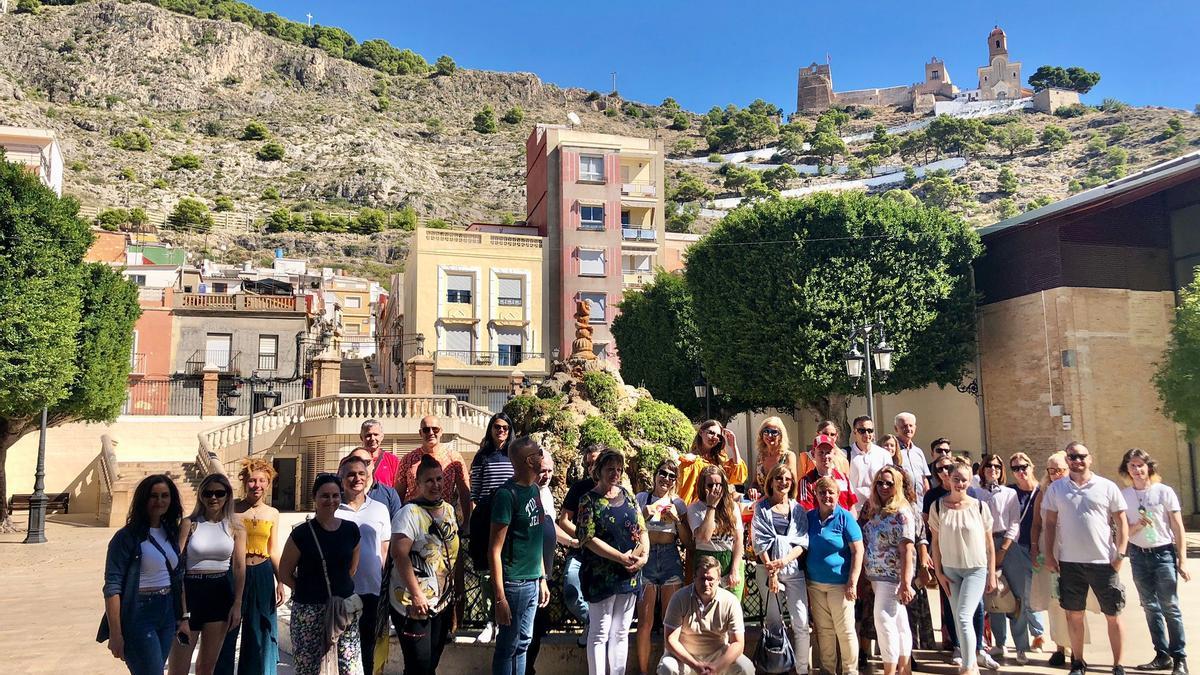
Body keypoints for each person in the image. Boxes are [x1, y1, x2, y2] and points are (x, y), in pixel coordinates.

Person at [1043, 441, 1129, 675]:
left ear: (1089, 459)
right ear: (1067, 460)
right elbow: (1049, 523)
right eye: (1072, 456)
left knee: (1113, 614)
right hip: (1070, 563)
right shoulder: (1056, 489)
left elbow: (1121, 521)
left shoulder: (1106, 486)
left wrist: (1120, 553)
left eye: (1081, 456)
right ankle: (1078, 662)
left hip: (1103, 561)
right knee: (1074, 614)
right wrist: (1049, 554)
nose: (1077, 461)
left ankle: (1117, 665)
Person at [100, 475, 184, 675]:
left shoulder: (170, 532)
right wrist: (115, 633)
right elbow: (112, 586)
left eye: (165, 496)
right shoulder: (126, 537)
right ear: (143, 499)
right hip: (139, 612)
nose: (160, 501)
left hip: (167, 611)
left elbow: (177, 577)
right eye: (153, 496)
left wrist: (183, 617)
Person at [279, 474, 363, 675]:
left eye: (335, 495)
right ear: (315, 498)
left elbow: (352, 569)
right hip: (308, 613)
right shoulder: (301, 534)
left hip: (343, 610)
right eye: (325, 496)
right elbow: (284, 573)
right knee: (310, 668)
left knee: (349, 668)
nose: (331, 500)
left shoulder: (351, 530)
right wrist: (307, 591)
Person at [578, 449, 650, 675]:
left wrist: (643, 557)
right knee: (600, 631)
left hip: (629, 575)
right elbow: (587, 539)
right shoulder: (588, 500)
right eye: (610, 469)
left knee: (621, 631)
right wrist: (620, 557)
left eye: (619, 469)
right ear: (598, 471)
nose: (615, 474)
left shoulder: (628, 495)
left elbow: (642, 529)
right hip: (602, 576)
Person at [1118, 448, 1189, 675]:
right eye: (1132, 466)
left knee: (1170, 607)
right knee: (1150, 607)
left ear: (1149, 467)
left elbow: (1177, 527)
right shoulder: (1124, 495)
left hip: (1163, 554)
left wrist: (1182, 559)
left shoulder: (1163, 491)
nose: (1137, 470)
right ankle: (1162, 654)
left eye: (1141, 465)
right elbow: (1122, 531)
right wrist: (1138, 524)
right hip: (1139, 555)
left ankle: (1179, 657)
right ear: (1126, 469)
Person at [168, 474, 246, 675]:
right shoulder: (189, 523)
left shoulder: (235, 527)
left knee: (207, 667)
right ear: (201, 495)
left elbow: (239, 567)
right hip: (191, 592)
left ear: (227, 496)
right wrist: (180, 605)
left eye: (219, 493)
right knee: (178, 668)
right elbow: (176, 565)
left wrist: (237, 604)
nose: (213, 498)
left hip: (220, 593)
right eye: (208, 493)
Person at [390, 454, 460, 674]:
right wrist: (417, 594)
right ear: (418, 484)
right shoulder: (408, 513)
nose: (435, 485)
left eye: (439, 479)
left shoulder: (448, 510)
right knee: (418, 665)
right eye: (429, 480)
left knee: (431, 663)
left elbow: (453, 553)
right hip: (413, 603)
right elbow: (399, 555)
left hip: (442, 602)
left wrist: (459, 592)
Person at [923, 454, 993, 670]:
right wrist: (939, 573)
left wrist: (991, 574)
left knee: (963, 616)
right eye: (956, 479)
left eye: (964, 479)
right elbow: (935, 542)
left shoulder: (980, 507)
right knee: (958, 616)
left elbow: (989, 543)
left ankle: (969, 666)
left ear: (970, 480)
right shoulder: (937, 506)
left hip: (975, 569)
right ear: (948, 479)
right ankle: (969, 661)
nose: (959, 483)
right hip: (950, 571)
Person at [490, 436, 551, 675]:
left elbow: (536, 541)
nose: (541, 455)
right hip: (514, 583)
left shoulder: (535, 489)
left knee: (524, 643)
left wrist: (542, 578)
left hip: (533, 581)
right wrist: (500, 598)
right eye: (539, 452)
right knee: (508, 645)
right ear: (529, 460)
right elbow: (494, 549)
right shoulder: (507, 495)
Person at [220, 459, 284, 675]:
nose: (257, 485)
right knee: (228, 628)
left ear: (268, 483)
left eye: (262, 481)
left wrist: (281, 581)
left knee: (259, 631)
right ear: (245, 482)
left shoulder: (272, 513)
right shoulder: (232, 509)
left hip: (263, 572)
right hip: (235, 573)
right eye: (252, 481)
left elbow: (273, 549)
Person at [751, 464, 811, 675]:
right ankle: (778, 667)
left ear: (792, 482)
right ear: (771, 481)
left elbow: (802, 542)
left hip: (793, 570)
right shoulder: (761, 507)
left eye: (787, 479)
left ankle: (802, 669)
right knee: (774, 623)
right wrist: (772, 571)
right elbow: (759, 541)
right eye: (778, 478)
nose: (783, 482)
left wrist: (783, 561)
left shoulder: (798, 509)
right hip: (767, 569)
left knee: (801, 622)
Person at [337, 455, 394, 675]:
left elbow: (385, 550)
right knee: (341, 649)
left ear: (368, 477)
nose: (356, 478)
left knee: (367, 648)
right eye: (350, 474)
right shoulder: (334, 507)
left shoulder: (379, 508)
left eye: (361, 474)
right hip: (341, 590)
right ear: (342, 479)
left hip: (371, 589)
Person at [635, 458, 693, 675]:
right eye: (663, 473)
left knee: (670, 622)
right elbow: (630, 529)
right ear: (655, 475)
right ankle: (643, 671)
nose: (666, 478)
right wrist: (644, 514)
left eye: (671, 476)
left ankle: (668, 670)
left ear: (675, 481)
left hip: (669, 557)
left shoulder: (678, 503)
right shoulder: (643, 498)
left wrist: (677, 520)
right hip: (647, 556)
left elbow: (688, 542)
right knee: (645, 622)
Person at [1030, 451, 1085, 668]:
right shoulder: (1044, 493)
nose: (1054, 475)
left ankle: (1075, 650)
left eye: (1059, 470)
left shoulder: (1077, 490)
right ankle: (1060, 648)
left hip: (1071, 550)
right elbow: (1036, 524)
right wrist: (1034, 548)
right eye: (1050, 470)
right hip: (1048, 548)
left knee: (1073, 603)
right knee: (1054, 601)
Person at [658, 555, 754, 675]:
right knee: (667, 667)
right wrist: (695, 665)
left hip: (718, 656)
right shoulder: (679, 598)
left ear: (719, 580)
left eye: (710, 579)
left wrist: (717, 667)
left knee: (746, 668)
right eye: (702, 578)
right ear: (694, 578)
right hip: (685, 657)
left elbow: (738, 643)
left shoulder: (731, 601)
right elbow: (670, 639)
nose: (706, 583)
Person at [862, 465, 917, 675]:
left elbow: (907, 548)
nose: (884, 487)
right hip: (877, 576)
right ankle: (905, 669)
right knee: (899, 623)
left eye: (889, 483)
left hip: (892, 578)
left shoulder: (902, 512)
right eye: (880, 482)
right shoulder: (876, 510)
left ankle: (889, 671)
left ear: (897, 485)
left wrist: (905, 583)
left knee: (883, 621)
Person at [806, 477, 864, 675]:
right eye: (822, 492)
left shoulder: (845, 517)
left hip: (840, 585)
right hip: (815, 584)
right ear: (816, 495)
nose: (827, 496)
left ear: (838, 495)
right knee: (824, 631)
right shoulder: (810, 517)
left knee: (845, 631)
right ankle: (827, 670)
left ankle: (850, 670)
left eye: (831, 492)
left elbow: (858, 551)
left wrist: (852, 582)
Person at [468, 413, 517, 644]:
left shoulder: (514, 456)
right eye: (497, 427)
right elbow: (475, 493)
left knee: (508, 568)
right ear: (490, 429)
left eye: (506, 428)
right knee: (487, 570)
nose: (501, 431)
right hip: (487, 516)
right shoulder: (482, 457)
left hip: (511, 517)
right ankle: (491, 620)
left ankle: (507, 617)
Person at [528, 453, 577, 675]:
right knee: (525, 635)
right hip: (531, 576)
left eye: (549, 470)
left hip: (544, 574)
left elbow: (550, 526)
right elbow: (532, 540)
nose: (546, 476)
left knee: (537, 631)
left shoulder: (545, 492)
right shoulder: (527, 494)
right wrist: (539, 577)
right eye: (541, 471)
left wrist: (573, 542)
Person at [975, 454, 1023, 664]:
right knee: (993, 593)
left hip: (1007, 543)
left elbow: (1014, 522)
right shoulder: (976, 493)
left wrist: (1004, 547)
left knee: (1015, 594)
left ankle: (1021, 645)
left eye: (997, 466)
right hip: (984, 543)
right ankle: (999, 642)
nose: (992, 469)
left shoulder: (1010, 493)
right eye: (989, 466)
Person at [557, 443, 603, 641]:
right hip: (581, 549)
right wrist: (585, 535)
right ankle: (592, 622)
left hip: (606, 552)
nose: (592, 468)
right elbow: (564, 520)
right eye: (589, 464)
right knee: (571, 588)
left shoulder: (616, 490)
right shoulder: (579, 488)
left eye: (596, 463)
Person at [1006, 452, 1046, 661]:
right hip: (1017, 548)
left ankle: (1039, 634)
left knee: (1037, 593)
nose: (1020, 472)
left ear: (1031, 466)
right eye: (1015, 468)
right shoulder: (1010, 492)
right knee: (1024, 594)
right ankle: (1036, 635)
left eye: (1023, 467)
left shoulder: (1042, 491)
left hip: (1038, 548)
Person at [688, 465, 745, 598]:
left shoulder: (732, 507)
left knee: (732, 609)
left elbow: (738, 540)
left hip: (729, 559)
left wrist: (735, 570)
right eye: (710, 485)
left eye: (718, 485)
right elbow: (703, 537)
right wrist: (711, 506)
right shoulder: (694, 508)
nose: (715, 489)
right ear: (703, 486)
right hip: (706, 560)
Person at [677, 420, 747, 504]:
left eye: (719, 436)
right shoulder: (690, 461)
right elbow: (684, 491)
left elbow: (738, 477)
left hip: (718, 508)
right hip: (696, 509)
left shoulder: (721, 460)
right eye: (711, 433)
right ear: (700, 432)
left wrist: (733, 446)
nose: (714, 437)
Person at [799, 434, 857, 512]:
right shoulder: (806, 481)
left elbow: (852, 508)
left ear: (834, 454)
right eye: (821, 452)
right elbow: (807, 512)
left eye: (828, 452)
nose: (825, 456)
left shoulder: (843, 478)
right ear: (813, 454)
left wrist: (849, 523)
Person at [849, 416, 890, 513]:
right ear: (855, 432)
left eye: (870, 430)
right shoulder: (846, 454)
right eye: (862, 430)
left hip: (878, 509)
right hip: (855, 510)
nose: (866, 434)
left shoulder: (884, 454)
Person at [752, 416, 797, 495]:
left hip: (781, 502)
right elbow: (755, 483)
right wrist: (753, 490)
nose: (769, 435)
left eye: (774, 432)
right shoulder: (760, 457)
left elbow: (793, 486)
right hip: (761, 503)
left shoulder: (788, 456)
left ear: (780, 436)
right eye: (766, 431)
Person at [893, 413, 931, 500]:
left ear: (915, 428)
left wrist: (927, 499)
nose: (908, 429)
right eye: (904, 426)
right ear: (896, 428)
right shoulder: (892, 451)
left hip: (920, 503)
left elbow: (924, 478)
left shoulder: (918, 452)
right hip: (902, 502)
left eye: (911, 425)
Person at [360, 419, 400, 494]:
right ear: (361, 437)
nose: (372, 438)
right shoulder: (352, 459)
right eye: (368, 435)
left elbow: (398, 489)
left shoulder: (392, 460)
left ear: (382, 437)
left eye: (376, 434)